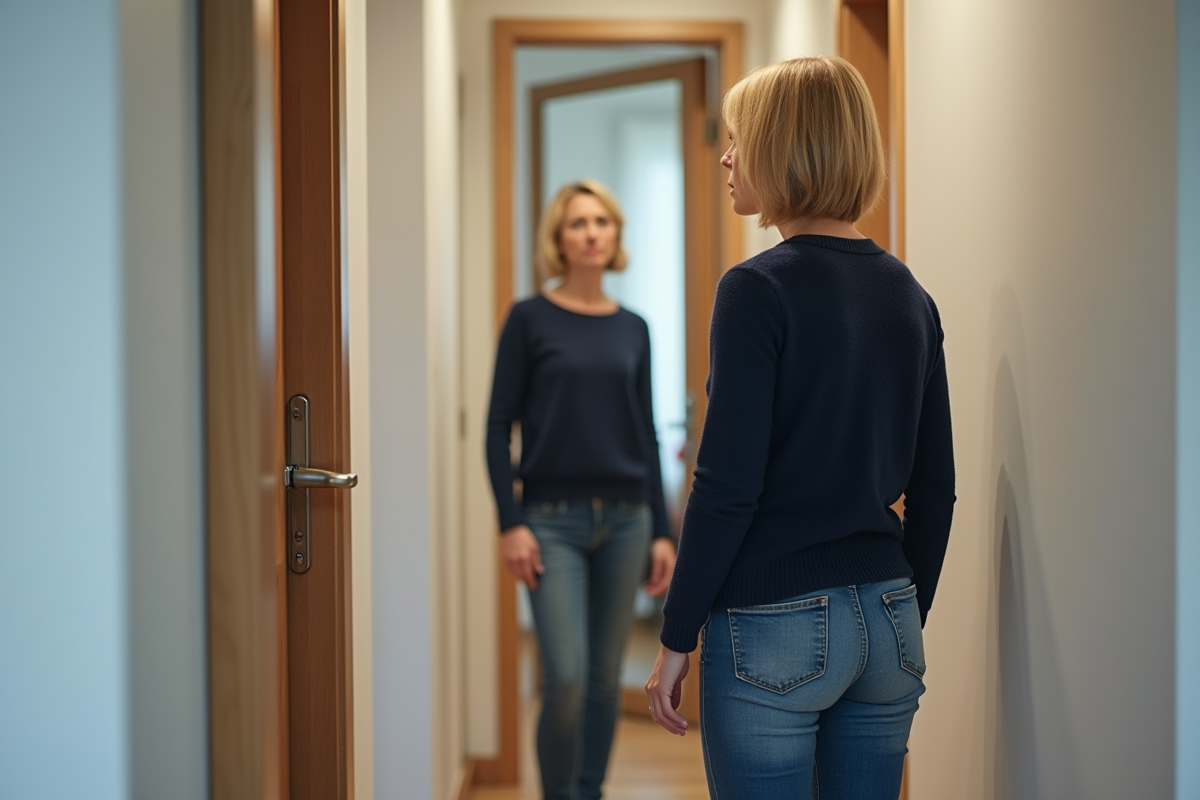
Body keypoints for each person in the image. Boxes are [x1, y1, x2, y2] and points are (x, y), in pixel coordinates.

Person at [644, 56, 956, 800]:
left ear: (786, 148)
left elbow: (726, 487)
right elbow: (936, 490)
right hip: (889, 615)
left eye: (739, 137)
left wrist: (675, 635)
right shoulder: (909, 295)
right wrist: (903, 613)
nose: (727, 155)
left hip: (773, 621)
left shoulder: (755, 288)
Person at [486, 179, 678, 800]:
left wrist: (661, 530)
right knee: (564, 677)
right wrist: (510, 521)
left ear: (615, 235)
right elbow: (496, 427)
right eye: (577, 223)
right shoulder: (528, 318)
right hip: (550, 521)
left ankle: (588, 791)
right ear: (558, 240)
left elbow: (644, 432)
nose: (592, 232)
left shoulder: (634, 327)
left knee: (601, 680)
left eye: (602, 221)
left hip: (625, 521)